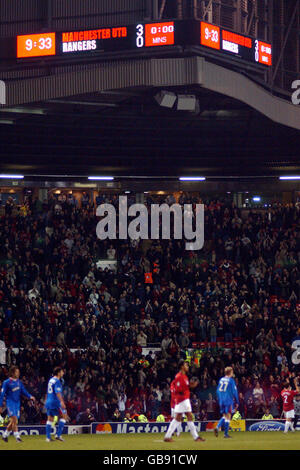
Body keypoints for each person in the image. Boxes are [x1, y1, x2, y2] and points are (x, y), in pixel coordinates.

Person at [164, 360, 205, 442]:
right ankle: (195, 437)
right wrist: (190, 386)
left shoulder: (184, 376)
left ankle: (168, 436)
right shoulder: (179, 376)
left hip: (184, 399)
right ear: (182, 366)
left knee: (179, 418)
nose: (187, 367)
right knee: (186, 417)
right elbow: (179, 389)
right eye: (186, 365)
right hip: (182, 399)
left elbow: (185, 387)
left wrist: (191, 386)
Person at [0, 366, 35, 443]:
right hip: (10, 403)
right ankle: (17, 437)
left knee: (13, 421)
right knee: (14, 419)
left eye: (18, 372)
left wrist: (30, 396)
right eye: (17, 372)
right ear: (12, 373)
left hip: (17, 403)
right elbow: (2, 395)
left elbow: (24, 391)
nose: (18, 373)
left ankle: (5, 435)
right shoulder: (6, 382)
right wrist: (0, 406)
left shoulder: (19, 382)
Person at [45, 366, 69, 442]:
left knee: (50, 419)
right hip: (55, 402)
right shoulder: (57, 381)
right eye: (62, 372)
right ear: (58, 373)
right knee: (64, 416)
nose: (63, 373)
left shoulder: (51, 380)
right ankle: (58, 435)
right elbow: (57, 392)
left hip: (49, 401)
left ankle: (48, 438)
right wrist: (62, 402)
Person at [215, 366, 239, 439]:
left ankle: (218, 427)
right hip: (228, 400)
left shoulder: (221, 380)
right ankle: (224, 433)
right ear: (230, 372)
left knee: (225, 416)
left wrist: (220, 398)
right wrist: (237, 401)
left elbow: (218, 390)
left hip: (221, 400)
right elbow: (235, 392)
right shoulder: (231, 380)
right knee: (228, 416)